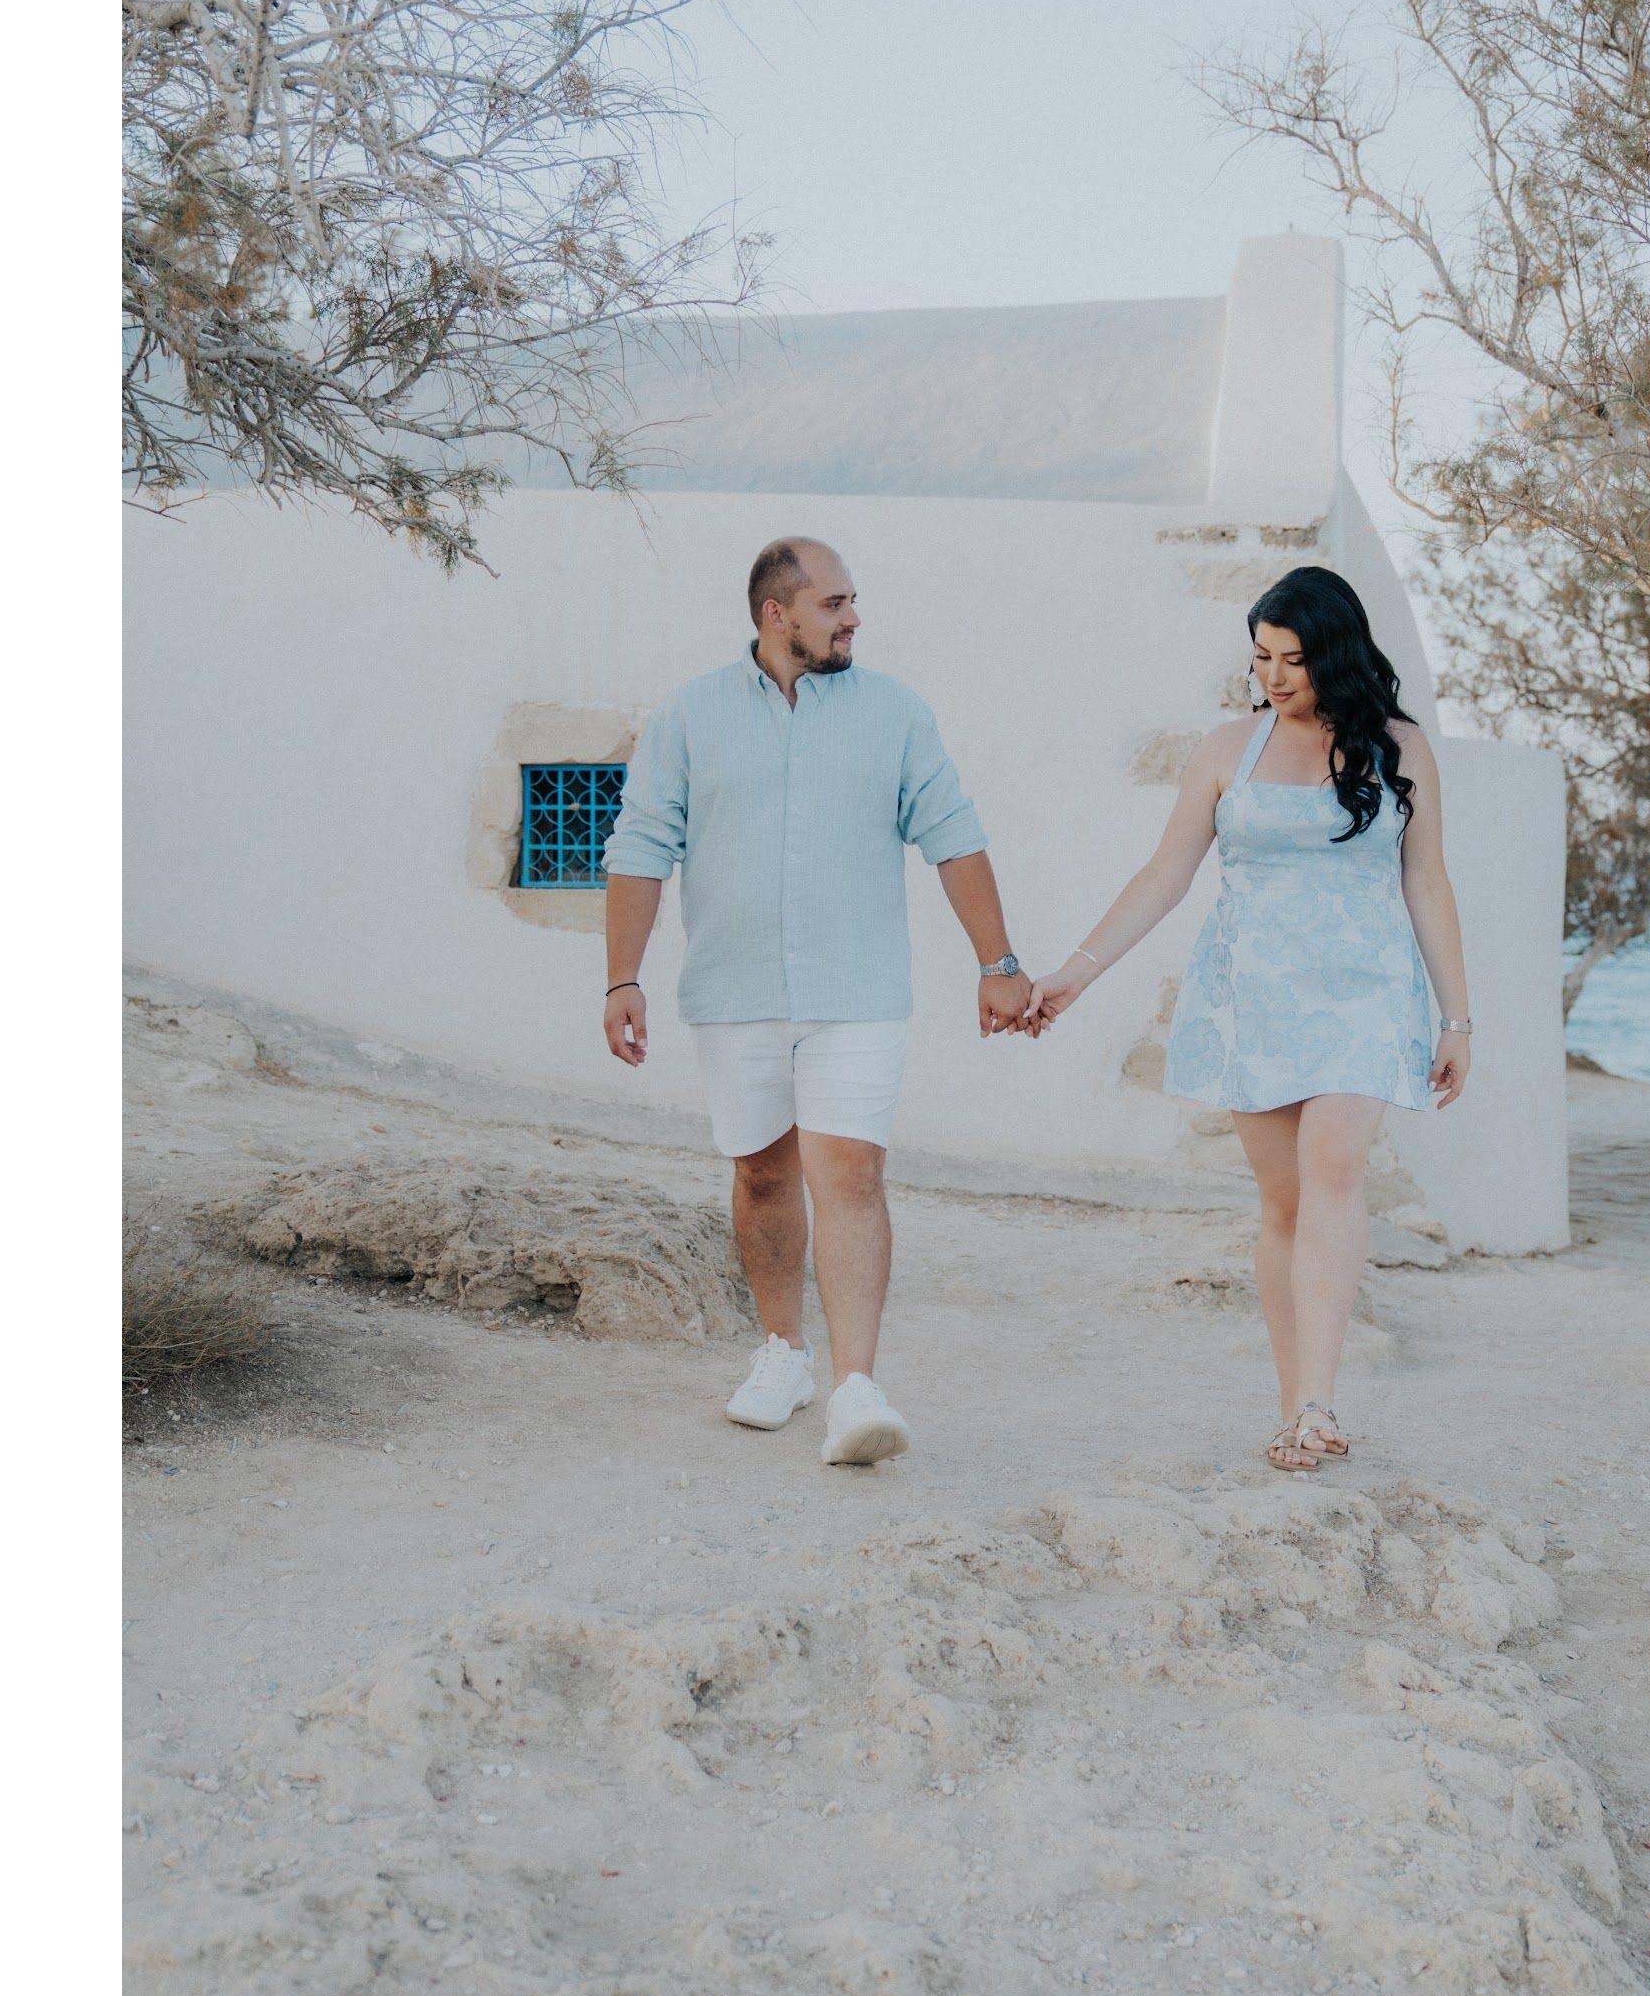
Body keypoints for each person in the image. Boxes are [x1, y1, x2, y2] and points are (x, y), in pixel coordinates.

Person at [1025, 565, 1472, 1472]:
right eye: (1261, 657)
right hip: (1252, 997)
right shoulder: (1227, 749)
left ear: (1335, 654)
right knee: (1284, 1205)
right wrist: (1076, 973)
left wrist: (1457, 1019)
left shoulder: (1402, 748)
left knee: (1334, 1170)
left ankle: (1318, 1404)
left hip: (1365, 994)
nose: (1273, 676)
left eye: (1293, 660)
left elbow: (1426, 880)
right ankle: (1290, 1400)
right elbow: (1165, 875)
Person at [600, 537, 1033, 1465]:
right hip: (733, 990)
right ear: (777, 614)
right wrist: (622, 977)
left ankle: (855, 1388)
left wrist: (998, 961)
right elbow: (640, 846)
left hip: (857, 992)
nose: (853, 618)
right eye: (834, 604)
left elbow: (954, 836)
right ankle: (784, 1353)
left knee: (851, 1176)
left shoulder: (895, 712)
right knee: (761, 1174)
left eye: (851, 601)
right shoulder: (689, 715)